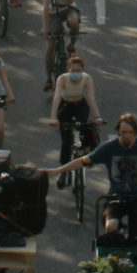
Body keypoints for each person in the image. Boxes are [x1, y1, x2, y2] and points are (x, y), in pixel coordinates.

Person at [44, 112, 137, 241]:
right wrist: (58, 170)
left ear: (135, 132)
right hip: (116, 197)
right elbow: (84, 161)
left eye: (130, 132)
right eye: (123, 132)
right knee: (111, 227)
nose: (127, 136)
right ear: (118, 131)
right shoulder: (109, 148)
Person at [49, 50, 103, 184]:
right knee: (66, 141)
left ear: (83, 70)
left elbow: (90, 98)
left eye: (78, 71)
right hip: (65, 106)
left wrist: (97, 116)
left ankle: (85, 156)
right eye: (73, 70)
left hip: (80, 105)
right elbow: (56, 98)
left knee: (84, 130)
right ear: (68, 69)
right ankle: (64, 170)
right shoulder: (62, 79)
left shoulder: (87, 79)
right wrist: (53, 117)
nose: (76, 73)